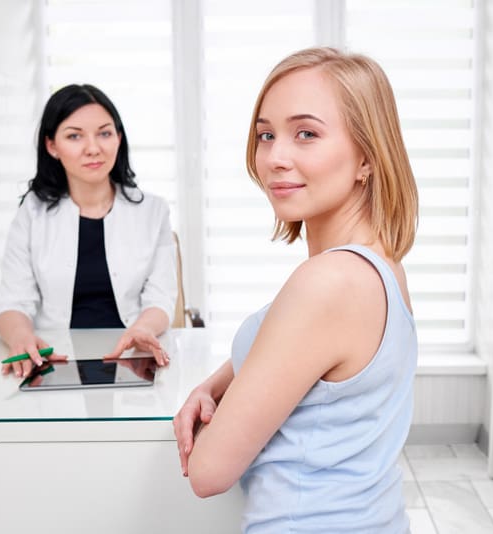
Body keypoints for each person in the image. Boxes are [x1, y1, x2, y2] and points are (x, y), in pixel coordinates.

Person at [173, 47, 419, 533]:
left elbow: (208, 472)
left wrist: (215, 419)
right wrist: (214, 385)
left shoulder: (327, 283)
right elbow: (299, 354)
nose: (274, 157)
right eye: (266, 135)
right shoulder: (379, 264)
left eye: (305, 134)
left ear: (366, 157)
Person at [0, 84, 177, 378]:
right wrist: (20, 337)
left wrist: (142, 329)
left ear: (119, 138)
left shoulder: (153, 212)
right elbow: (13, 302)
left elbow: (160, 299)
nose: (93, 148)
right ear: (52, 146)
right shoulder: (32, 213)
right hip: (55, 361)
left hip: (132, 358)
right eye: (74, 136)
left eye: (104, 133)